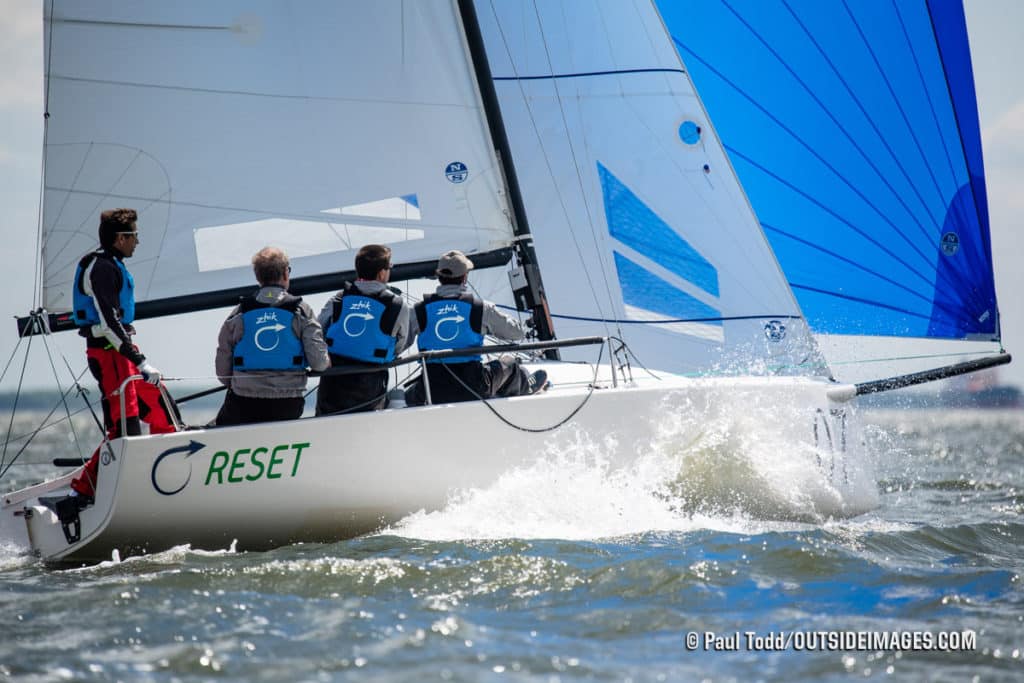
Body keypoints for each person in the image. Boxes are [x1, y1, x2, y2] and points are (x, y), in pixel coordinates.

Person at [60, 209, 181, 519]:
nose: (137, 243)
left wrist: (137, 359)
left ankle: (166, 471)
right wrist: (140, 361)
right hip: (110, 353)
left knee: (159, 405)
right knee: (123, 428)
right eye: (134, 237)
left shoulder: (112, 265)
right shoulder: (101, 269)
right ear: (120, 238)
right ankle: (82, 488)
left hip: (122, 351)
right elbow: (108, 321)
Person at [411, 250, 547, 404]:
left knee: (405, 394)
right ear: (464, 277)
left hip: (430, 391)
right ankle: (524, 388)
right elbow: (516, 333)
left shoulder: (419, 310)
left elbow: (397, 343)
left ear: (439, 277)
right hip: (473, 389)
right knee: (509, 363)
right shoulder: (481, 308)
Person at [214, 247, 330, 426]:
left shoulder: (239, 313)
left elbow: (223, 373)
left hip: (243, 403)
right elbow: (319, 363)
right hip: (287, 405)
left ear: (257, 276)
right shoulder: (302, 311)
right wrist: (327, 360)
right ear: (285, 273)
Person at [316, 244, 417, 414]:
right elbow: (400, 343)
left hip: (333, 382)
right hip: (371, 383)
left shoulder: (338, 299)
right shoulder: (398, 306)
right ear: (382, 273)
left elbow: (318, 332)